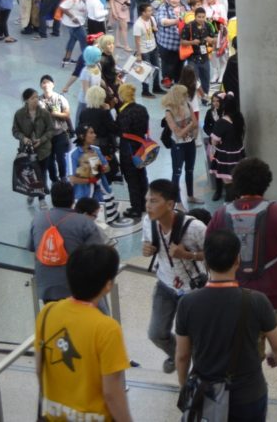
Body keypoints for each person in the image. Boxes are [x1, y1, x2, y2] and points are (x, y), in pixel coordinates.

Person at [206, 158, 277, 418]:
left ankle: (249, 395)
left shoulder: (221, 214)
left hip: (238, 298)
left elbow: (210, 255)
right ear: (266, 183)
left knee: (246, 348)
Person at [175, 229, 277, 421]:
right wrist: (275, 357)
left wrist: (185, 386)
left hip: (206, 393)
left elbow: (183, 355)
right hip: (249, 393)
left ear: (206, 262)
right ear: (237, 260)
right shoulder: (257, 301)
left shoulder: (187, 303)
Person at [34, 245, 133, 422]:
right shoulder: (107, 328)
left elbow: (38, 368)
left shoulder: (47, 312)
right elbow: (112, 393)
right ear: (108, 285)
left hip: (53, 415)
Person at [140, 179, 207, 374]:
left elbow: (217, 254)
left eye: (153, 201)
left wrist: (188, 255)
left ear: (170, 204)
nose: (148, 206)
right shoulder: (148, 222)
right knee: (156, 333)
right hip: (165, 284)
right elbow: (146, 244)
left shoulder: (195, 228)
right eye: (147, 200)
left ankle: (197, 372)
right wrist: (146, 250)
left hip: (193, 290)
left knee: (197, 337)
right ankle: (178, 353)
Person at [28, 181, 104, 302]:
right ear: (73, 199)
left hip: (47, 287)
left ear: (52, 199)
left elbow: (32, 247)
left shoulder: (38, 219)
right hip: (75, 289)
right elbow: (99, 256)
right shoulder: (84, 222)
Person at [12, 87, 55, 203]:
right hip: (27, 151)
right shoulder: (19, 114)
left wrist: (41, 140)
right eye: (32, 98)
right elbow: (15, 131)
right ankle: (31, 192)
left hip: (43, 150)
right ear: (26, 100)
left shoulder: (44, 113)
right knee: (30, 173)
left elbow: (51, 130)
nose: (36, 100)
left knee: (42, 174)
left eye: (36, 97)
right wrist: (24, 138)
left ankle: (41, 199)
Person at [162, 84, 201, 207]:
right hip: (178, 145)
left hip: (190, 142)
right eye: (184, 95)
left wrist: (187, 129)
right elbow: (178, 133)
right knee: (177, 173)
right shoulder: (169, 112)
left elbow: (195, 123)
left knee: (190, 170)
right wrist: (189, 126)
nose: (186, 96)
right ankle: (177, 201)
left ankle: (190, 196)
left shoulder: (187, 105)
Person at [116, 83, 150, 219]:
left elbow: (120, 130)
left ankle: (136, 208)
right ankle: (145, 203)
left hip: (127, 149)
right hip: (142, 147)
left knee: (131, 178)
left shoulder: (123, 112)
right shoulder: (142, 109)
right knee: (142, 175)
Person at [209, 93, 245, 201]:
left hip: (226, 155)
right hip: (238, 152)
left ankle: (231, 203)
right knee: (238, 179)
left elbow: (214, 142)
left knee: (228, 181)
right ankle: (240, 201)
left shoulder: (222, 122)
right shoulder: (239, 118)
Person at [39, 75, 72, 184]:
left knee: (60, 157)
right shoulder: (38, 101)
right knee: (49, 160)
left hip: (60, 133)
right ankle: (54, 179)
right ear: (41, 86)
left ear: (53, 84)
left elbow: (67, 114)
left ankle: (63, 177)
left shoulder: (60, 98)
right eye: (43, 82)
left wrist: (55, 114)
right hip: (46, 136)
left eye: (48, 82)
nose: (46, 84)